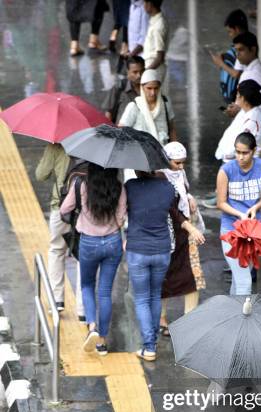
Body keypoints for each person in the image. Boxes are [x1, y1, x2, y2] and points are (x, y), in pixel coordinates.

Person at [125, 170, 202, 361]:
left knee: (142, 298)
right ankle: (154, 337)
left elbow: (123, 212)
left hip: (138, 249)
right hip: (162, 249)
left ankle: (149, 346)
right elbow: (176, 210)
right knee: (156, 294)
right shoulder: (168, 188)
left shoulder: (130, 187)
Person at [60, 163, 127, 355]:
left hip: (88, 242)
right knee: (105, 292)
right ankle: (102, 342)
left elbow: (64, 209)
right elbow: (121, 218)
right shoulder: (119, 188)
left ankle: (92, 328)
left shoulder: (82, 185)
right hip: (113, 242)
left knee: (87, 285)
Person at [159, 142, 206, 336]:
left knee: (192, 275)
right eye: (177, 163)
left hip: (184, 232)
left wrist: (189, 196)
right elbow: (170, 208)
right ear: (167, 160)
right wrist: (190, 227)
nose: (181, 167)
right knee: (165, 276)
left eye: (183, 163)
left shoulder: (179, 174)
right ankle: (161, 318)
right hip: (169, 233)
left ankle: (190, 318)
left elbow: (182, 192)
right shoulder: (160, 178)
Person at [217, 132, 261, 295]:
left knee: (238, 279)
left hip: (253, 232)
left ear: (254, 151)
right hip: (231, 231)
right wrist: (240, 214)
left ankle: (233, 316)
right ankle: (243, 319)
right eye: (237, 152)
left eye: (245, 153)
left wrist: (255, 208)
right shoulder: (226, 170)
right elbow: (221, 203)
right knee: (245, 281)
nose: (240, 157)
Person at [35, 143, 84, 319]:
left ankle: (57, 300)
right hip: (84, 211)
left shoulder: (55, 146)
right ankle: (83, 309)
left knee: (56, 250)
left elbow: (40, 175)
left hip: (60, 206)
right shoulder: (90, 145)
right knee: (82, 257)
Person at [118, 68, 176, 144]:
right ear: (142, 87)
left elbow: (172, 129)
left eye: (156, 88)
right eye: (149, 88)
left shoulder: (165, 103)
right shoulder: (134, 106)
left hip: (163, 150)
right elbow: (122, 130)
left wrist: (175, 148)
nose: (153, 93)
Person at [215, 80, 261, 162]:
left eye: (238, 94)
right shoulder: (244, 112)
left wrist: (226, 154)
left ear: (244, 99)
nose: (237, 97)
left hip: (239, 164)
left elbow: (242, 146)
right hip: (231, 161)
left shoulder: (252, 120)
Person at [226, 32, 261, 122]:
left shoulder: (256, 74)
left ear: (253, 50)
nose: (237, 54)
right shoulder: (249, 70)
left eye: (241, 50)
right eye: (236, 51)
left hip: (256, 126)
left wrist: (240, 109)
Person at [209, 9, 248, 104]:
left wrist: (221, 63)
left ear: (237, 29)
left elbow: (236, 74)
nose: (230, 35)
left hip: (241, 97)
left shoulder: (244, 46)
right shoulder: (244, 43)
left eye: (230, 31)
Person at [102, 55, 145, 123]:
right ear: (128, 71)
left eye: (142, 71)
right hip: (122, 131)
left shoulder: (150, 88)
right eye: (135, 72)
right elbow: (108, 113)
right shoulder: (119, 87)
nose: (139, 75)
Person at [142, 0, 169, 82]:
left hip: (154, 68)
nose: (144, 5)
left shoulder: (158, 25)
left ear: (150, 4)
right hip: (151, 67)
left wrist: (146, 71)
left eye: (145, 3)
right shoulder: (154, 21)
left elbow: (159, 56)